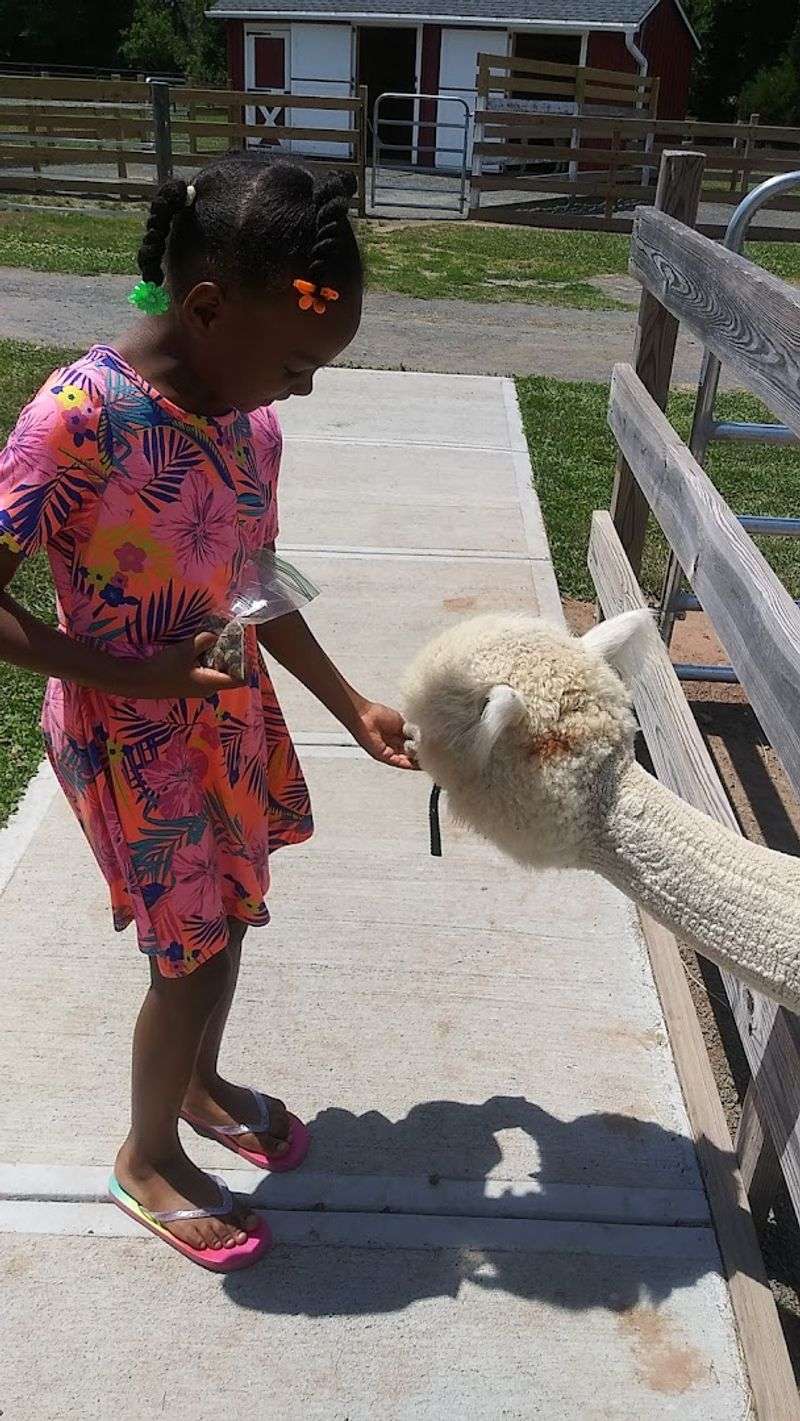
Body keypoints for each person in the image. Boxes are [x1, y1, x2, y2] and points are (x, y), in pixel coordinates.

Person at [0, 155, 415, 1271]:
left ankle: (194, 1080)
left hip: (224, 720)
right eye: (294, 360)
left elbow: (252, 580)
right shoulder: (76, 419)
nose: (303, 387)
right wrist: (135, 679)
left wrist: (349, 699)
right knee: (184, 952)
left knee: (226, 919)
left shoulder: (248, 425)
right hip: (126, 740)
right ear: (207, 306)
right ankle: (145, 1154)